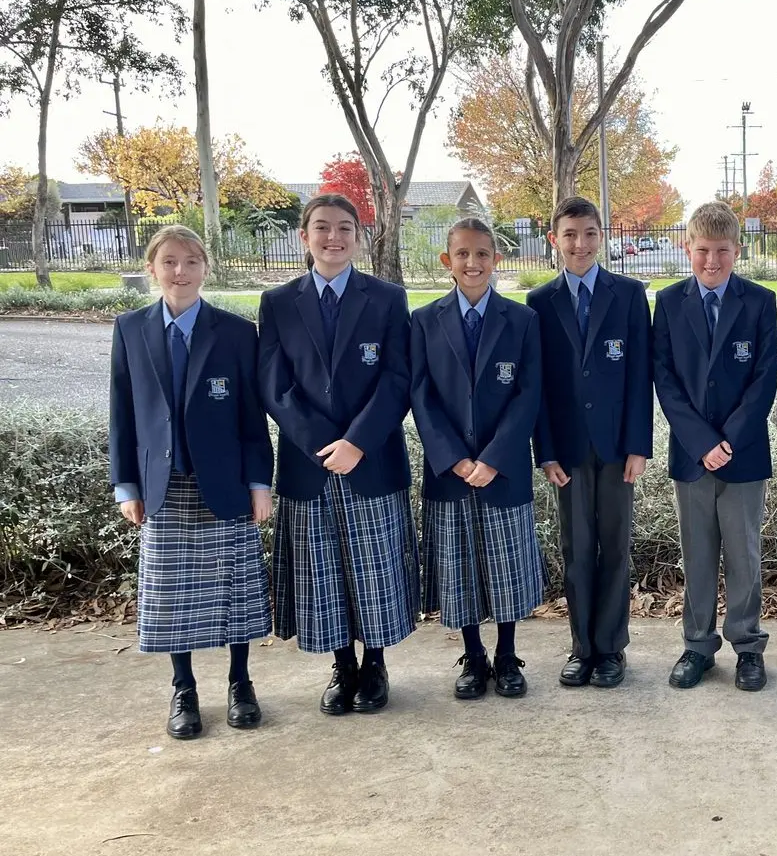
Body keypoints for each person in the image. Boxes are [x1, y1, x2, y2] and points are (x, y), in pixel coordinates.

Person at [109, 224, 273, 739]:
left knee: (234, 588)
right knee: (171, 595)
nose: (180, 272)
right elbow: (122, 413)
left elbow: (252, 416)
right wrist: (126, 485)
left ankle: (240, 682)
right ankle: (183, 689)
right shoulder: (130, 329)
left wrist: (259, 482)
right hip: (163, 485)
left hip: (224, 481)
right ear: (152, 268)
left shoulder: (236, 332)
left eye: (191, 261)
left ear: (205, 267)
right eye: (169, 262)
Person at [259, 193, 418, 715]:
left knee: (374, 569)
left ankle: (375, 664)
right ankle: (342, 664)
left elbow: (398, 378)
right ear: (303, 236)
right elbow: (274, 384)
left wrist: (357, 441)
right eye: (323, 227)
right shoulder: (279, 302)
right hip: (309, 464)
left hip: (370, 458)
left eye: (345, 227)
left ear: (358, 235)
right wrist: (321, 445)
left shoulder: (387, 298)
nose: (334, 237)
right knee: (322, 571)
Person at [411, 217, 545, 700]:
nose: (473, 263)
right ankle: (473, 655)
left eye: (483, 254)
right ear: (447, 261)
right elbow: (421, 394)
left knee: (506, 565)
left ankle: (507, 654)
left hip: (502, 469)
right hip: (450, 471)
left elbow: (528, 394)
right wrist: (454, 458)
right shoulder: (424, 321)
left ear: (497, 260)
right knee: (460, 565)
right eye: (463, 254)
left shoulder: (522, 320)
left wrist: (493, 457)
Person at [652, 202, 777, 691]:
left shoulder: (759, 301)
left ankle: (747, 645)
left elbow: (764, 379)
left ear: (737, 251)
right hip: (692, 455)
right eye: (703, 250)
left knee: (744, 555)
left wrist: (728, 440)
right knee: (698, 554)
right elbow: (665, 379)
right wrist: (703, 442)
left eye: (722, 251)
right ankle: (698, 645)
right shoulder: (669, 302)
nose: (712, 261)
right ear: (688, 248)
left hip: (743, 454)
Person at [527, 196, 653, 688]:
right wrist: (546, 452)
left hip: (618, 447)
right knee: (577, 549)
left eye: (590, 234)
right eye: (570, 235)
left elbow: (639, 375)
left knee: (615, 547)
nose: (580, 244)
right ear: (554, 239)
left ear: (602, 236)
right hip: (568, 451)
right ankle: (582, 647)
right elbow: (537, 387)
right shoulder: (540, 302)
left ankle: (611, 648)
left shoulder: (629, 295)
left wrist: (638, 445)